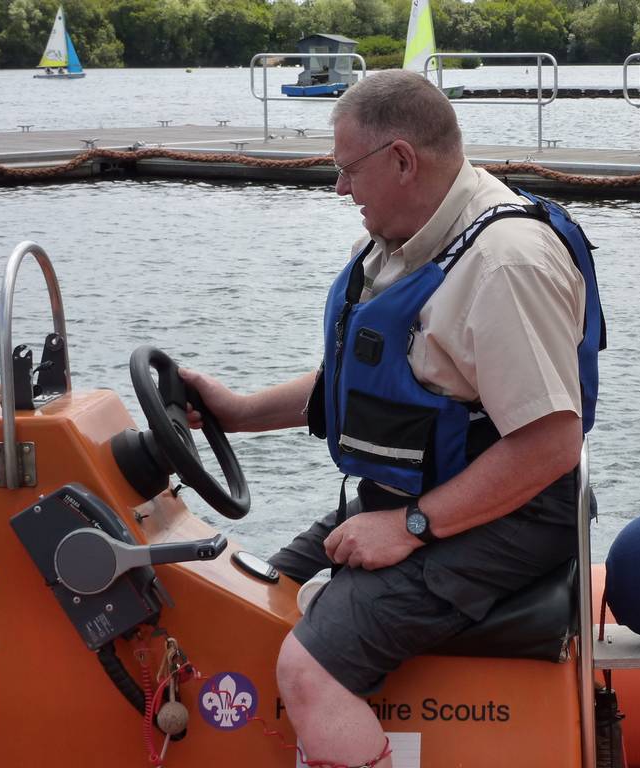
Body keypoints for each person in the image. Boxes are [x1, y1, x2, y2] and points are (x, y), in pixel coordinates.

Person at [180, 69, 603, 767]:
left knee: (308, 671)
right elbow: (375, 381)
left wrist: (410, 528)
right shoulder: (401, 243)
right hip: (414, 501)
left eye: (349, 170)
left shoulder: (504, 264)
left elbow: (553, 442)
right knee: (251, 606)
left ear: (403, 159)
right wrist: (238, 411)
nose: (341, 189)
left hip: (514, 517)